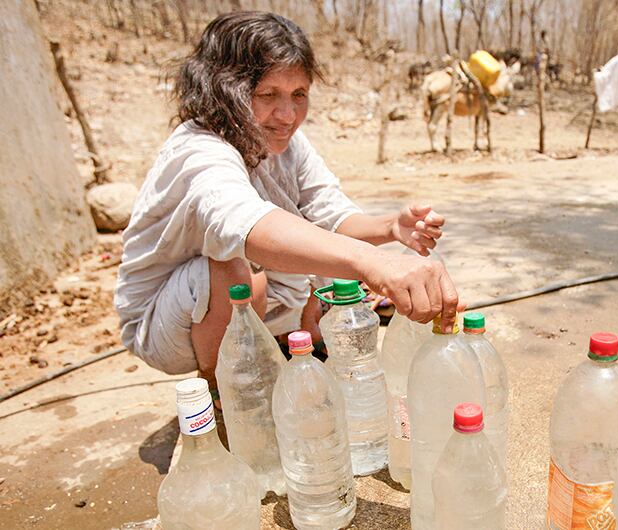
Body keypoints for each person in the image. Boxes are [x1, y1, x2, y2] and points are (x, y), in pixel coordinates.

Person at [113, 11, 460, 388]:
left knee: (329, 270)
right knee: (238, 270)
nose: (288, 115)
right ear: (224, 91)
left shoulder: (286, 143)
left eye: (299, 95)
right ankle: (224, 388)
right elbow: (248, 225)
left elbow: (328, 211)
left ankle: (284, 341)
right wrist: (375, 264)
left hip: (261, 300)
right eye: (268, 95)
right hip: (168, 325)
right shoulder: (199, 151)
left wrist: (389, 228)